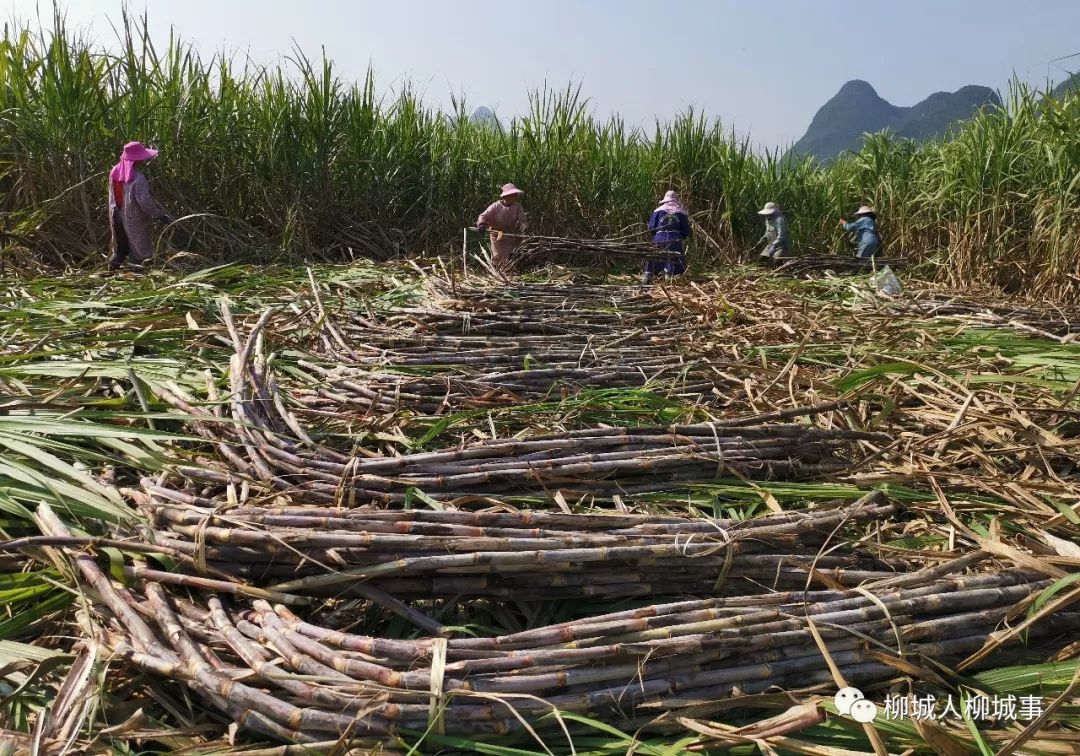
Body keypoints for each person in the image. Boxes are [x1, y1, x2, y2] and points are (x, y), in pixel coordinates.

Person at [108, 141, 173, 271]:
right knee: (138, 250)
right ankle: (138, 276)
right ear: (136, 160)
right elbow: (144, 201)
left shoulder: (114, 172)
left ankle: (110, 272)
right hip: (133, 218)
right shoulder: (138, 178)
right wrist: (159, 215)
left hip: (115, 215)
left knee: (121, 248)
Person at [643, 190, 691, 285]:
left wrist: (657, 234)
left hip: (660, 238)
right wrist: (680, 236)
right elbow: (685, 230)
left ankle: (648, 277)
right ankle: (670, 277)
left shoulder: (658, 211)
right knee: (674, 256)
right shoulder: (681, 212)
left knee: (654, 256)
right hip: (675, 239)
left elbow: (652, 227)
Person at [476, 183, 527, 270]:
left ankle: (507, 272)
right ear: (505, 197)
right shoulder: (496, 206)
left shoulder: (517, 207)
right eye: (512, 195)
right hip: (496, 234)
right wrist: (481, 224)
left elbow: (522, 220)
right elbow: (483, 216)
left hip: (509, 234)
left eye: (515, 195)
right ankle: (496, 272)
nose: (514, 197)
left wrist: (524, 228)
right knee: (497, 256)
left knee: (508, 256)